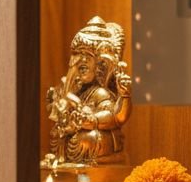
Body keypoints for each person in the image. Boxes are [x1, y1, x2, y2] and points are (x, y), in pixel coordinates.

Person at [43, 16, 132, 170]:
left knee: (88, 139)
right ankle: (62, 159)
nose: (79, 65)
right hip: (76, 134)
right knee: (56, 134)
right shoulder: (79, 91)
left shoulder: (101, 93)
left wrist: (92, 120)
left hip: (96, 136)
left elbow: (115, 116)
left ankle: (92, 161)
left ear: (101, 66)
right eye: (77, 56)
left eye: (84, 65)